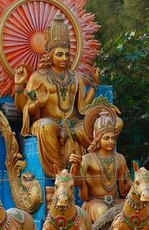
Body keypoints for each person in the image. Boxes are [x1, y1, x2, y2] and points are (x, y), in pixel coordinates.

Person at [15, 14, 121, 177]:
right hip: (47, 122)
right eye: (59, 54)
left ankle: (96, 168)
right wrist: (28, 94)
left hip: (73, 124)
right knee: (46, 126)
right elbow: (23, 108)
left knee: (114, 122)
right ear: (50, 55)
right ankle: (59, 174)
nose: (64, 59)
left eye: (67, 54)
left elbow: (83, 107)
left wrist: (99, 101)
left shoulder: (75, 77)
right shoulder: (38, 77)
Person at [69, 111, 131, 223]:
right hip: (95, 203)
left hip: (116, 201)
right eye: (106, 138)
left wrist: (141, 186)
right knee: (104, 211)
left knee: (134, 209)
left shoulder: (120, 158)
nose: (111, 141)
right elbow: (76, 182)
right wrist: (76, 166)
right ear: (97, 139)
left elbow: (128, 183)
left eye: (113, 138)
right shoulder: (88, 158)